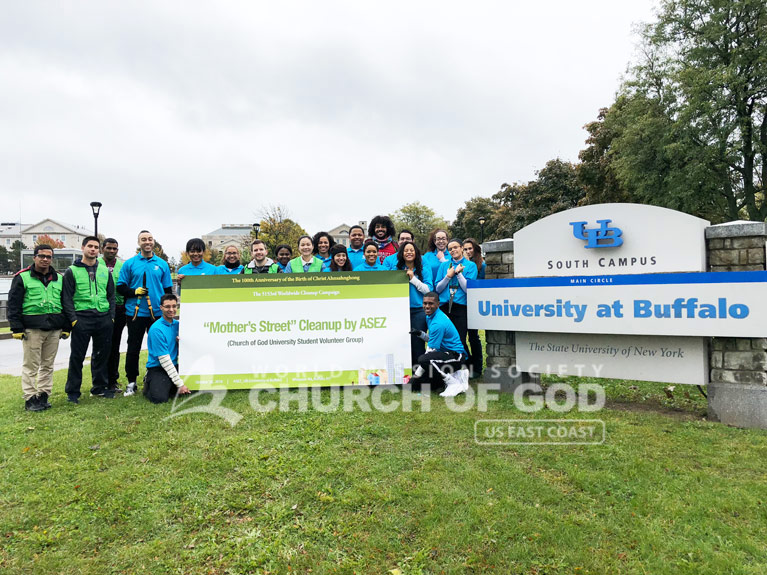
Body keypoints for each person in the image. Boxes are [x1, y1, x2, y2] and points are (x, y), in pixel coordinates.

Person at [8, 244, 67, 411]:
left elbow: (65, 303)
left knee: (48, 365)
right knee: (31, 366)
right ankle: (30, 398)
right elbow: (14, 305)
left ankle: (43, 395)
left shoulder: (59, 278)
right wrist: (16, 328)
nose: (45, 259)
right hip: (32, 329)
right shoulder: (22, 277)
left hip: (54, 328)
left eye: (49, 257)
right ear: (34, 257)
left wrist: (66, 326)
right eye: (42, 256)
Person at [117, 230, 173, 396]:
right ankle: (131, 381)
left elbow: (168, 289)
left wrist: (167, 309)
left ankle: (158, 377)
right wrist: (134, 292)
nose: (147, 242)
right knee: (133, 348)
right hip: (135, 314)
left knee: (159, 347)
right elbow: (121, 287)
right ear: (138, 242)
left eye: (150, 239)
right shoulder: (130, 264)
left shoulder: (162, 264)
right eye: (143, 239)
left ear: (153, 241)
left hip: (156, 314)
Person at [62, 236, 116, 403]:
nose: (93, 249)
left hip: (103, 317)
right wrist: (73, 320)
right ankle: (73, 392)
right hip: (82, 318)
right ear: (83, 247)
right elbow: (67, 298)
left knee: (101, 355)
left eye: (96, 247)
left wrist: (111, 317)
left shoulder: (104, 271)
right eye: (90, 246)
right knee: (77, 357)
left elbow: (111, 295)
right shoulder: (72, 271)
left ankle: (99, 387)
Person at [409, 292, 469, 397]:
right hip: (445, 354)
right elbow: (434, 339)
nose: (427, 306)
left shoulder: (438, 323)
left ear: (438, 304)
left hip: (456, 356)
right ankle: (458, 375)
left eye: (431, 303)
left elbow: (429, 353)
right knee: (422, 385)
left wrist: (415, 377)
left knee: (423, 360)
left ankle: (453, 383)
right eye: (425, 303)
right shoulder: (431, 315)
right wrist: (420, 334)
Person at [434, 239, 478, 361]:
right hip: (444, 306)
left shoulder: (470, 266)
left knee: (459, 339)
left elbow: (467, 289)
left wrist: (458, 274)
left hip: (460, 307)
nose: (453, 250)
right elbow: (438, 288)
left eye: (455, 247)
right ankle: (447, 366)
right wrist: (448, 276)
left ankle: (463, 366)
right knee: (445, 338)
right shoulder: (444, 265)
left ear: (462, 248)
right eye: (450, 249)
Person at [143, 294, 191, 403]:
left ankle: (170, 384)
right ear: (161, 308)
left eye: (174, 306)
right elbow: (165, 361)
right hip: (158, 367)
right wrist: (180, 384)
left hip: (175, 365)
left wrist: (181, 343)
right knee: (160, 398)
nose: (171, 309)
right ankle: (148, 384)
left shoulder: (179, 325)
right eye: (167, 306)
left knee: (196, 387)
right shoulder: (156, 329)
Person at [394, 241, 433, 365]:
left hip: (419, 311)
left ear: (416, 253)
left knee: (417, 343)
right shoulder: (396, 270)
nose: (409, 252)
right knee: (401, 342)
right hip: (400, 311)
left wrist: (413, 279)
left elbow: (428, 290)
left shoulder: (424, 270)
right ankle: (404, 371)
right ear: (402, 253)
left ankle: (418, 373)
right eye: (406, 250)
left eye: (412, 250)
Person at [100, 238, 127, 392]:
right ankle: (100, 381)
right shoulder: (96, 264)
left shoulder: (122, 266)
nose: (111, 251)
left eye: (114, 249)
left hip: (118, 309)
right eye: (108, 248)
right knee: (101, 347)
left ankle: (112, 380)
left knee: (115, 346)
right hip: (100, 310)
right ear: (103, 248)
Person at [462, 238, 486, 377]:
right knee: (462, 336)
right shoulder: (465, 264)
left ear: (476, 249)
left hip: (475, 304)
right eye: (465, 249)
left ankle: (477, 367)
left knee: (473, 337)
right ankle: (469, 362)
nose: (468, 251)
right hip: (464, 304)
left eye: (470, 248)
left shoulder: (482, 266)